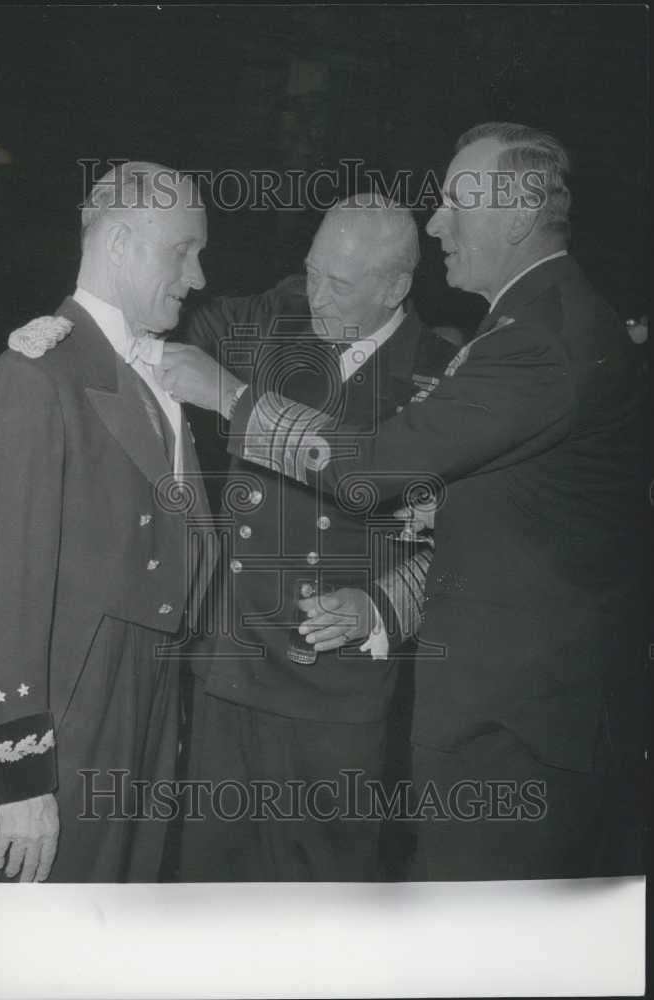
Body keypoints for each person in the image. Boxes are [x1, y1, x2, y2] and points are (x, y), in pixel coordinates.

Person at [165, 124, 648, 880]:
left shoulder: (526, 341)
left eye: (455, 200)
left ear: (516, 214)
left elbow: (379, 469)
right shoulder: (524, 326)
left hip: (498, 716)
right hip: (265, 674)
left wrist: (228, 397)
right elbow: (488, 512)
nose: (436, 222)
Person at [157, 194, 457, 880]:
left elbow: (459, 541)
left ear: (395, 287)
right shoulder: (278, 315)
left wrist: (381, 604)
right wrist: (72, 327)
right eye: (311, 271)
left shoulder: (441, 378)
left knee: (322, 900)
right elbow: (164, 321)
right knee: (208, 892)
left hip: (336, 692)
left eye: (339, 284)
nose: (315, 295)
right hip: (230, 667)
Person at [0, 161, 217, 882]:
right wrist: (18, 780)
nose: (196, 277)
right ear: (122, 242)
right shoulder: (35, 378)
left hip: (143, 699)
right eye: (182, 251)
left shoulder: (149, 374)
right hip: (68, 712)